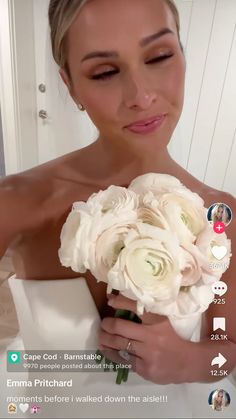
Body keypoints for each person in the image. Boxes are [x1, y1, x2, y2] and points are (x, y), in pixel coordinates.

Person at [0, 0, 236, 417]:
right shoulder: (19, 202)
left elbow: (225, 347)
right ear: (70, 85)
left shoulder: (220, 215)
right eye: (106, 72)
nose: (142, 96)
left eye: (160, 56)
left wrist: (189, 360)